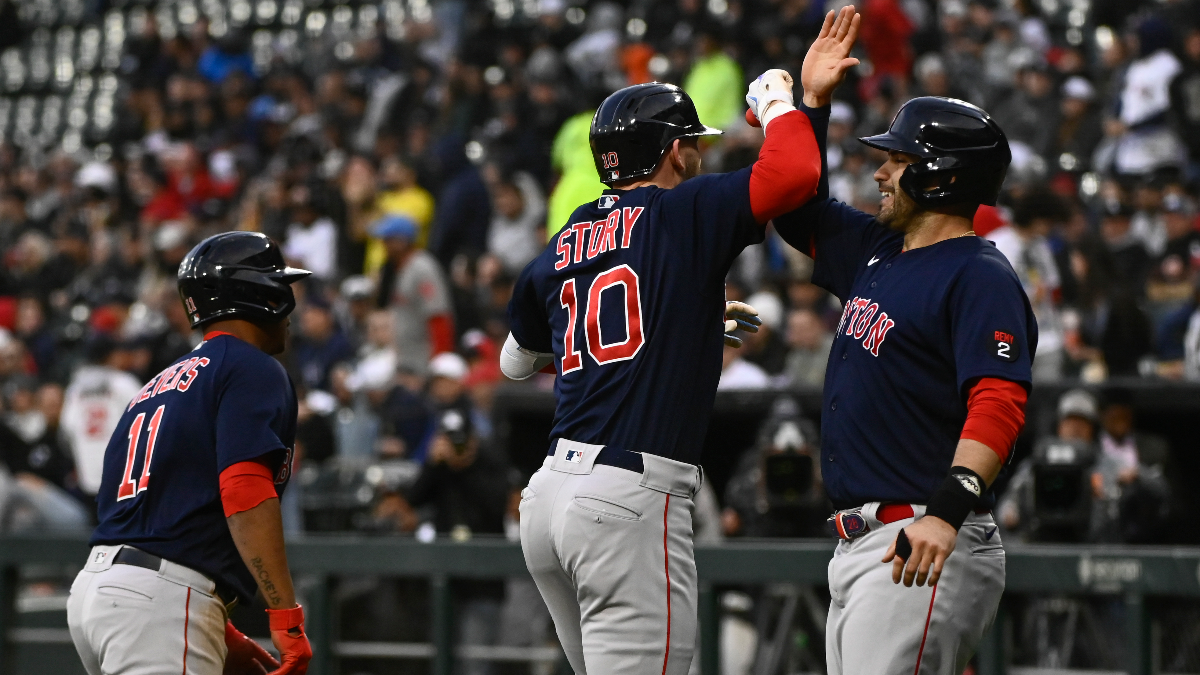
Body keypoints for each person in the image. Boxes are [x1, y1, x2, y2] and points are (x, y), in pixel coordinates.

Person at [502, 8, 856, 674]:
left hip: (548, 496)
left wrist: (678, 324)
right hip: (626, 497)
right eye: (691, 143)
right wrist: (778, 103)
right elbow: (794, 175)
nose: (699, 154)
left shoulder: (568, 232)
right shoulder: (682, 209)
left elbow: (516, 361)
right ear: (671, 150)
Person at [773, 78, 1036, 675]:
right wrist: (812, 106)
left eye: (898, 160)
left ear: (939, 177)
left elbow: (998, 401)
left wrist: (946, 512)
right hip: (865, 546)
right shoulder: (880, 249)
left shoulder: (979, 275)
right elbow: (793, 206)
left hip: (921, 537)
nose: (881, 173)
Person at [67, 232, 313, 675]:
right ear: (257, 294)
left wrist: (219, 631)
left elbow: (147, 518)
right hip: (157, 602)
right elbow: (244, 489)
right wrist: (285, 616)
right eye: (279, 286)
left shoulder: (153, 386)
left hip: (97, 592)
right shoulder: (251, 366)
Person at [373, 214, 456, 373]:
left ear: (402, 241)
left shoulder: (422, 267)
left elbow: (438, 317)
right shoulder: (399, 268)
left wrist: (439, 362)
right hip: (406, 359)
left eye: (388, 240)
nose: (383, 245)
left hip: (423, 361)